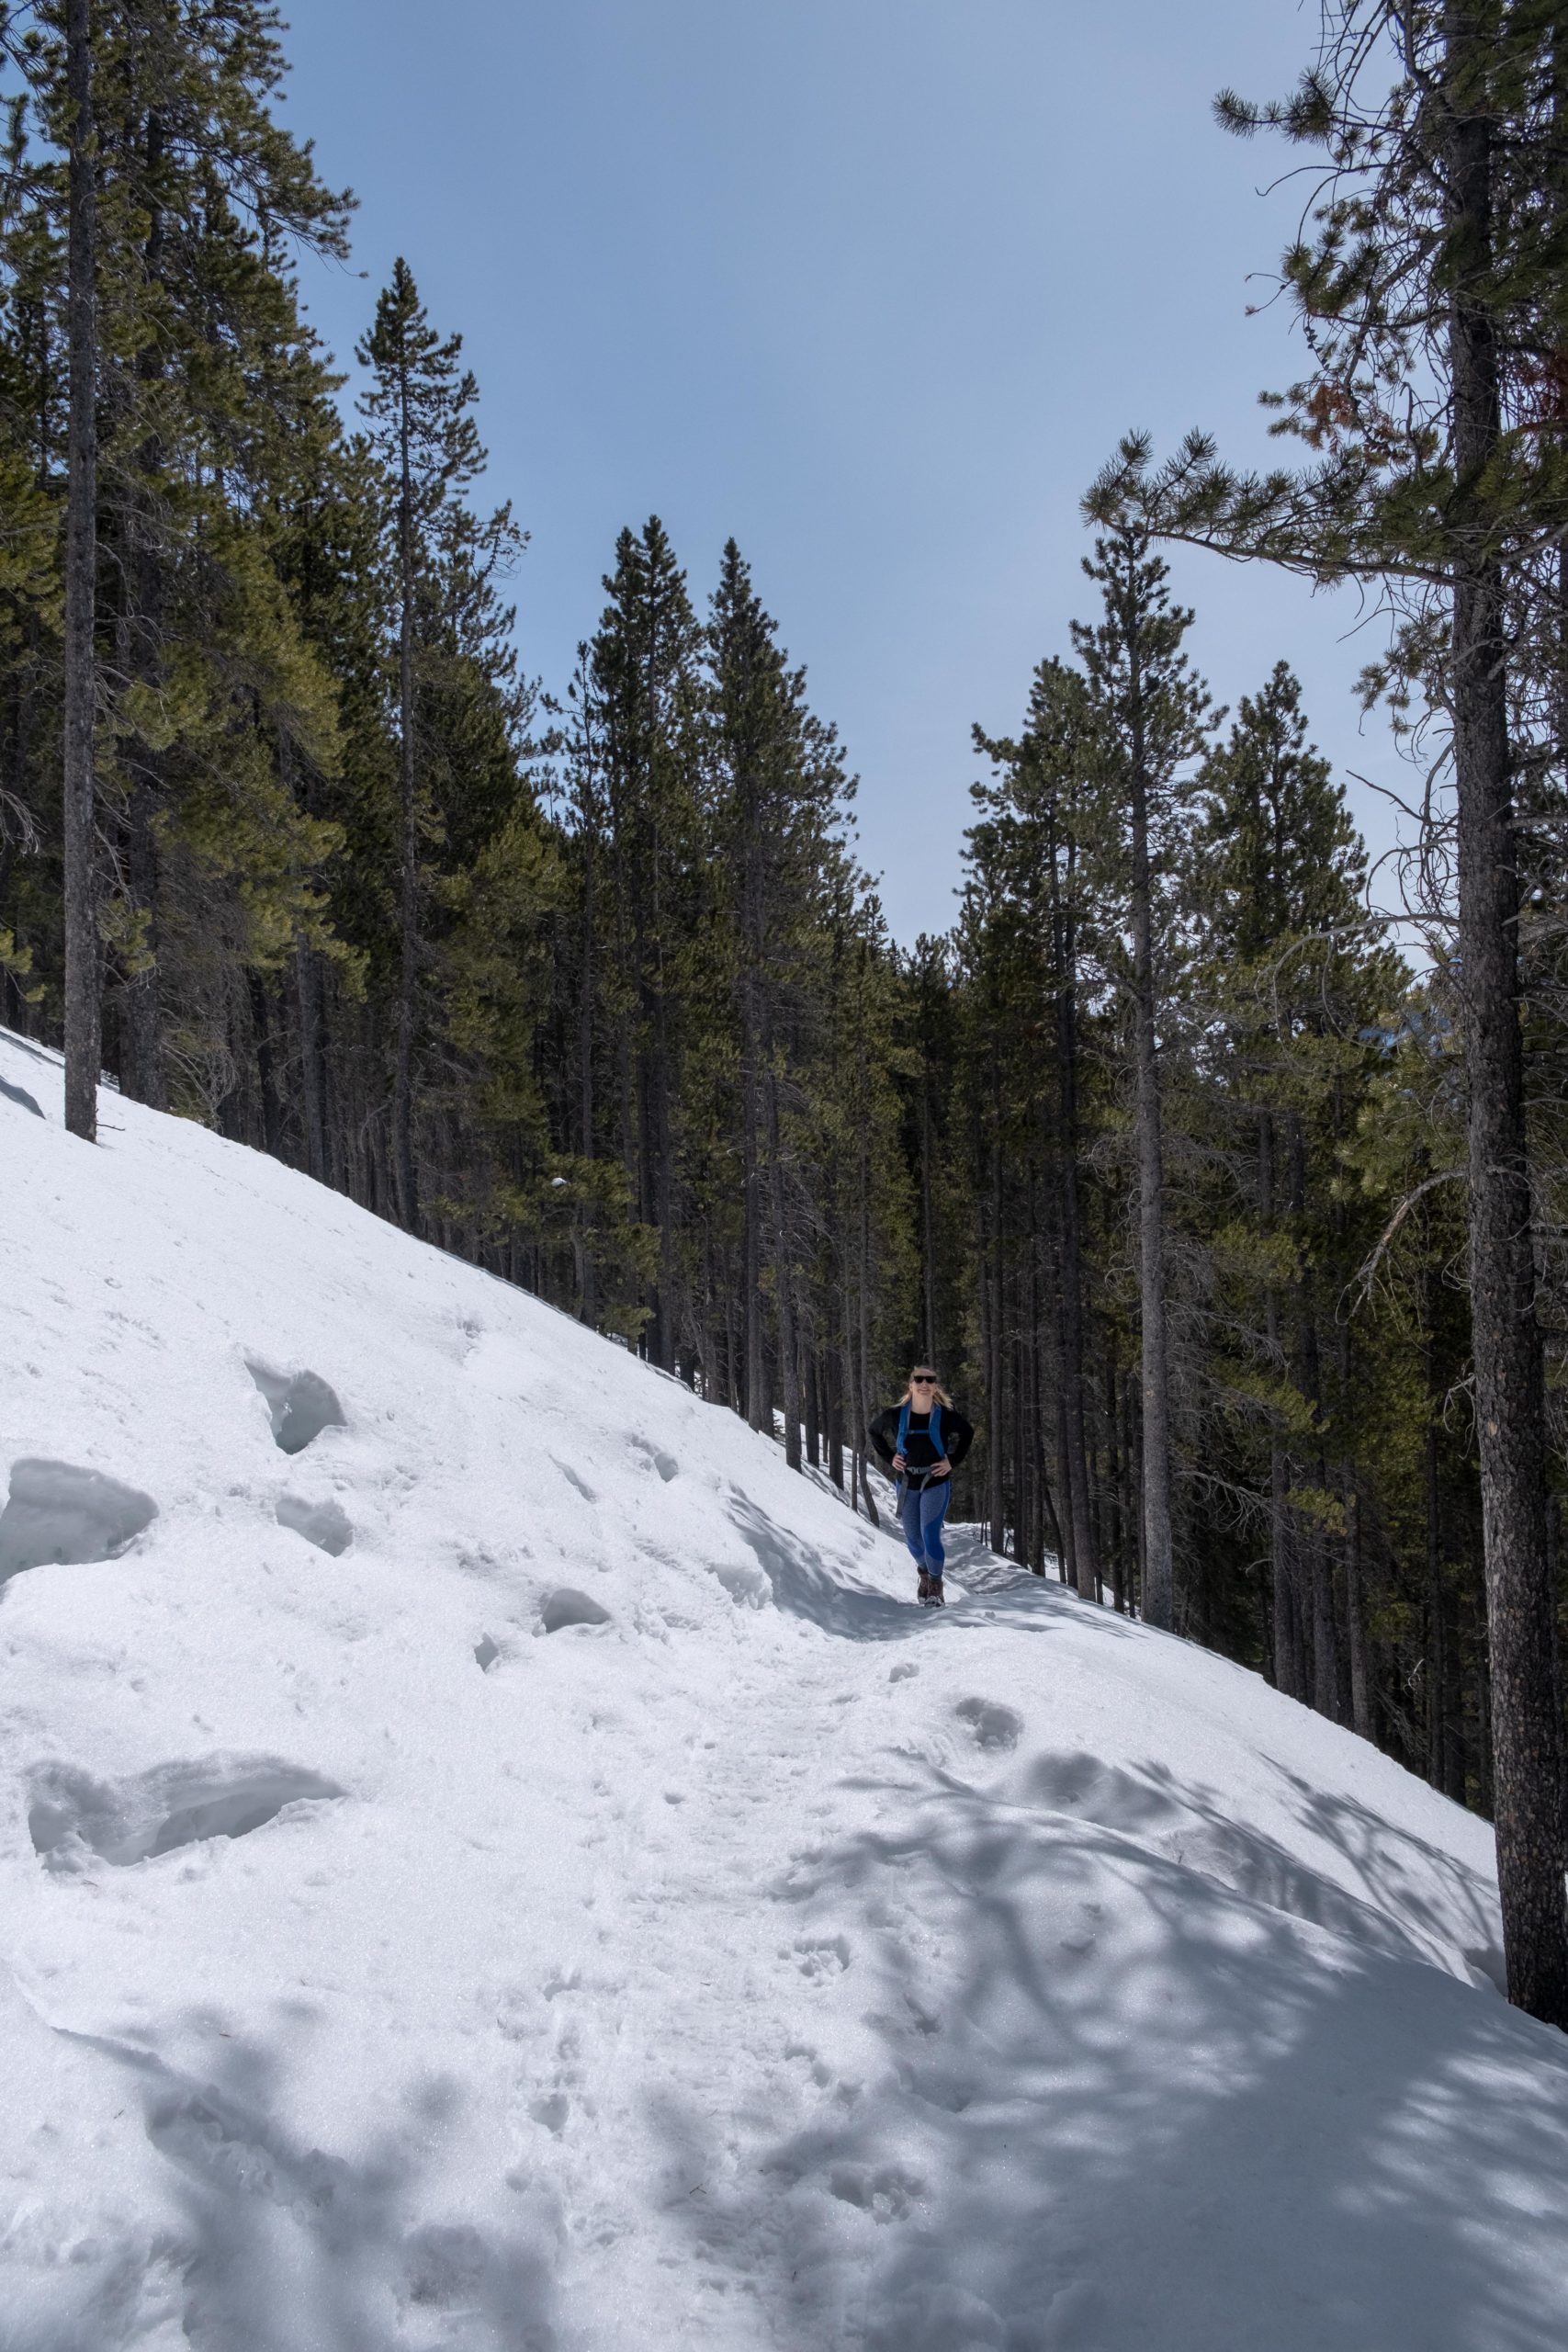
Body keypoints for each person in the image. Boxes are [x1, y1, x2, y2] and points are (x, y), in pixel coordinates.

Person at [867, 1369, 975, 1606]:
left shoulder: (945, 1415)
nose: (924, 1384)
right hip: (907, 1483)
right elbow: (874, 1431)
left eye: (930, 1380)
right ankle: (925, 1575)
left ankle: (936, 1585)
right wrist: (889, 1457)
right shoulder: (896, 1415)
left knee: (929, 1533)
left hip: (935, 1482)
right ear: (911, 1385)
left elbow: (967, 1433)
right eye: (919, 1380)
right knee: (913, 1538)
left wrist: (951, 1461)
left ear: (935, 1387)